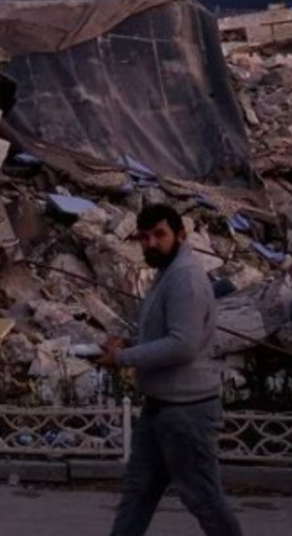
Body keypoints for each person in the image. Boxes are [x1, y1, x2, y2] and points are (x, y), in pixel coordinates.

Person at [98, 204, 243, 536]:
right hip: (161, 407)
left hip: (186, 412)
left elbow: (183, 344)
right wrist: (128, 342)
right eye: (144, 237)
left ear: (180, 235)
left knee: (203, 499)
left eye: (159, 235)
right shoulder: (169, 272)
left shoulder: (185, 278)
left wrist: (123, 358)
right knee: (138, 493)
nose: (151, 243)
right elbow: (165, 333)